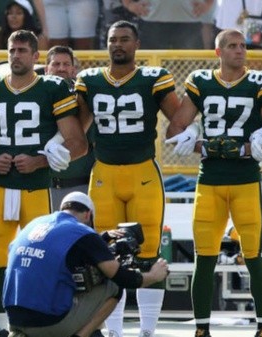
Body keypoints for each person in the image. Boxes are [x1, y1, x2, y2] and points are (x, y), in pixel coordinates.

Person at [165, 29, 262, 337]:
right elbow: (174, 130)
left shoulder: (259, 82)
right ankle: (201, 329)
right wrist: (200, 143)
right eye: (232, 46)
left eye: (243, 45)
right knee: (204, 259)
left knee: (255, 258)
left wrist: (250, 148)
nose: (240, 51)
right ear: (218, 52)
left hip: (246, 180)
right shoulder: (201, 81)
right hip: (209, 180)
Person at [0, 29, 87, 337]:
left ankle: (33, 322)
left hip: (35, 185)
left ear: (36, 56)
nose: (16, 56)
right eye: (12, 50)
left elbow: (78, 143)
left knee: (39, 255)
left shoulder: (52, 88)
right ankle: (1, 326)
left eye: (22, 50)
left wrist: (40, 160)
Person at [74, 20, 180, 337]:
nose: (117, 44)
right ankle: (114, 330)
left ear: (136, 44)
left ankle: (147, 330)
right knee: (105, 254)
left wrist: (193, 136)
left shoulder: (153, 78)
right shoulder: (89, 80)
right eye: (112, 40)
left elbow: (179, 118)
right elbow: (76, 129)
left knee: (149, 255)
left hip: (143, 173)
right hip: (104, 173)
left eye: (124, 39)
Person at [4, 191, 170, 337]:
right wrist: (153, 275)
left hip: (14, 318)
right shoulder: (83, 233)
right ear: (88, 215)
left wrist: (102, 238)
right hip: (49, 324)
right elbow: (122, 277)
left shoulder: (36, 223)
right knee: (113, 286)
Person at [45, 45, 94, 211]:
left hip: (80, 185)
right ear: (46, 69)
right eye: (56, 64)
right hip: (43, 185)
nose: (61, 69)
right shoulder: (36, 96)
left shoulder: (85, 98)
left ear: (74, 70)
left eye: (66, 64)